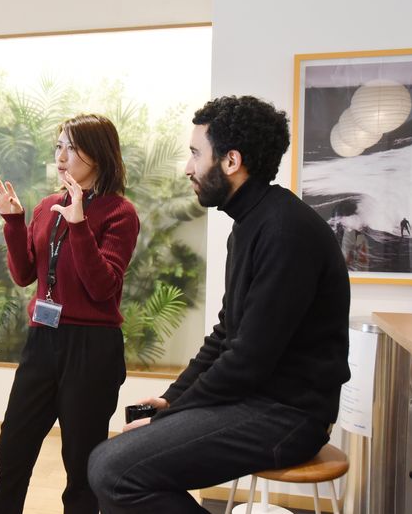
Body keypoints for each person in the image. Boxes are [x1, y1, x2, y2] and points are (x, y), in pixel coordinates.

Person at [87, 96, 351, 513]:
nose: (187, 168)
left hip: (289, 415)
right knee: (106, 462)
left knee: (114, 471)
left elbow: (248, 359)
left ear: (231, 161)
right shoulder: (249, 225)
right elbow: (227, 333)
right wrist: (172, 399)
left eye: (196, 154)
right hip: (255, 401)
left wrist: (171, 415)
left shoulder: (285, 232)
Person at [0, 113, 140, 514]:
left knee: (82, 466)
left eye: (72, 147)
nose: (61, 156)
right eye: (59, 146)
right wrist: (13, 222)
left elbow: (102, 287)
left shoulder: (120, 213)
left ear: (99, 154)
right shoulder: (47, 207)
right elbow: (24, 275)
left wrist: (80, 225)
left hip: (92, 348)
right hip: (42, 340)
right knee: (12, 451)